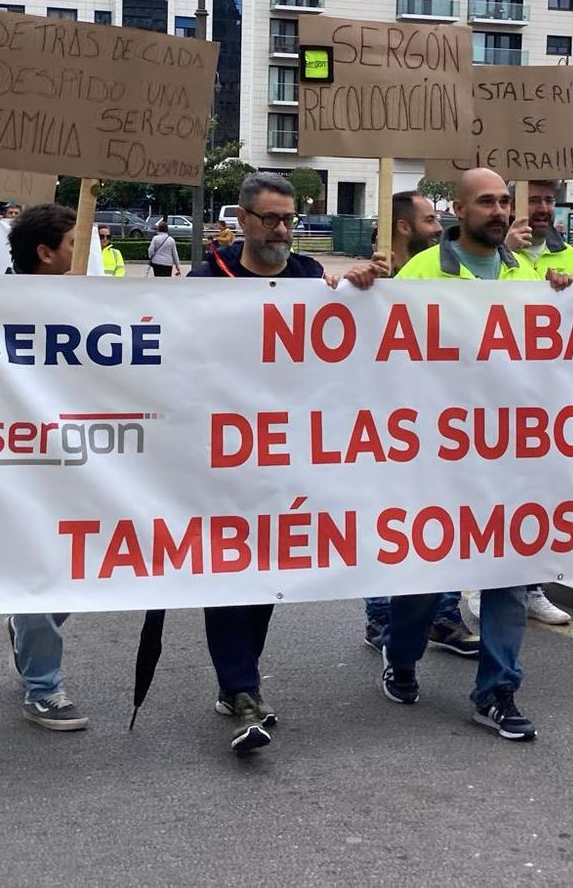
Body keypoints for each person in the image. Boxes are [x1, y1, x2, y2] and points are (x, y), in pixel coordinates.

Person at [187, 172, 381, 754]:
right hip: (223, 453)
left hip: (288, 457)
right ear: (241, 220)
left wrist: (365, 289)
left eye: (289, 219)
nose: (280, 229)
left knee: (267, 575)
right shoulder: (207, 277)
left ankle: (237, 680)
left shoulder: (307, 278)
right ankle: (243, 687)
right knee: (228, 570)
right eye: (269, 218)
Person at [384, 168, 573, 743]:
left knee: (507, 576)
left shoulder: (527, 272)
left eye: (503, 202)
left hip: (510, 460)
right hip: (438, 460)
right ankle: (402, 654)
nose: (498, 210)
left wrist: (564, 296)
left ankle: (497, 691)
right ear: (460, 210)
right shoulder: (421, 272)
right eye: (485, 202)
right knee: (422, 582)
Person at [0, 205, 98, 731]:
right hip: (17, 463)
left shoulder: (90, 302)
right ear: (45, 252)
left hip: (84, 462)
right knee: (36, 572)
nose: (84, 253)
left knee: (77, 572)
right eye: (75, 243)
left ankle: (26, 624)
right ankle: (44, 688)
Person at [361, 188, 476, 658]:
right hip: (388, 422)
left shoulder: (445, 273)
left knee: (445, 519)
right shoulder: (372, 280)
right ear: (405, 226)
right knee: (386, 519)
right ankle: (381, 613)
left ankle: (443, 612)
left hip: (441, 419)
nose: (439, 227)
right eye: (431, 220)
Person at [520, 181, 573, 282]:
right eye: (533, 201)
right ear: (513, 207)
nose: (543, 209)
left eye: (549, 200)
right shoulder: (496, 255)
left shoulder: (570, 255)